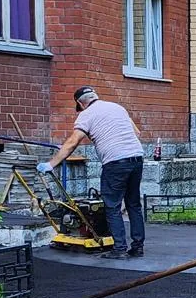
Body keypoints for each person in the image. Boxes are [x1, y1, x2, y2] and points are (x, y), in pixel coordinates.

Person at [41, 87, 147, 259]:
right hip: (136, 158)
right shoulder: (117, 107)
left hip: (115, 163)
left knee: (112, 206)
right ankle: (138, 247)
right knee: (133, 205)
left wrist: (51, 164)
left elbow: (72, 142)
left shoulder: (86, 115)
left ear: (80, 103)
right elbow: (136, 132)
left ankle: (119, 249)